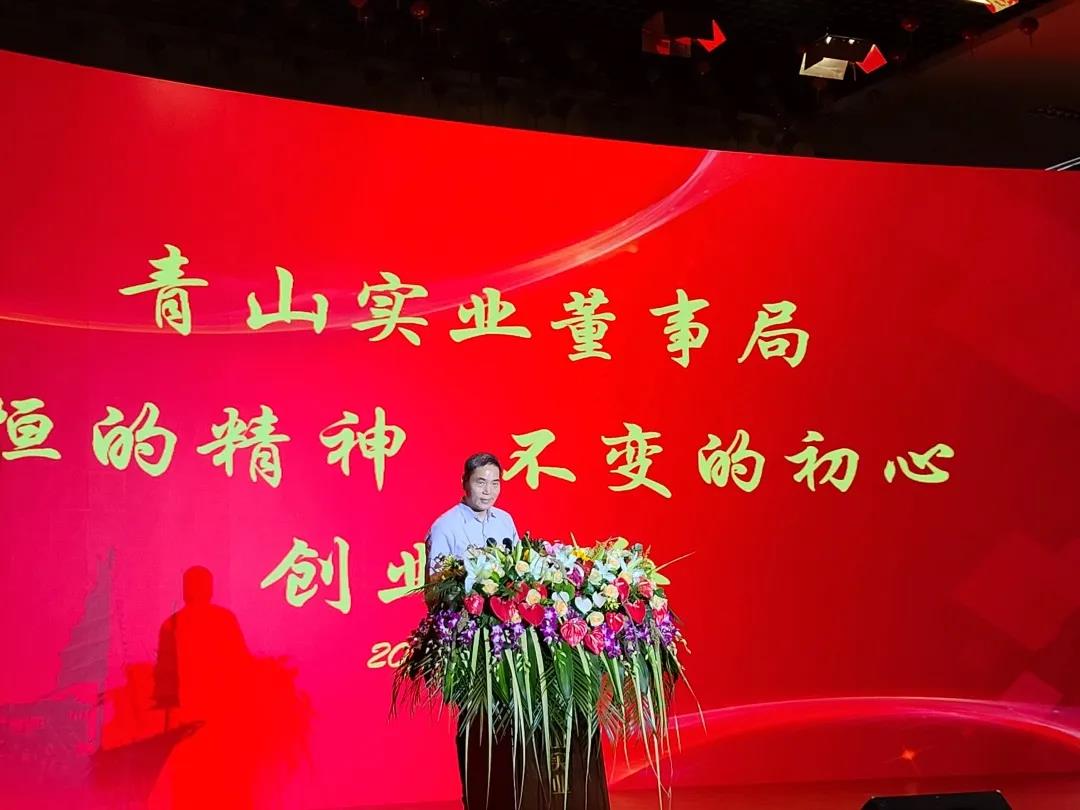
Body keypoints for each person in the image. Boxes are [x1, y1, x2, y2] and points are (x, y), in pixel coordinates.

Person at [426, 452, 519, 573]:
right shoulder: (445, 527)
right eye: (481, 483)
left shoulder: (505, 520)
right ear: (464, 482)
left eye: (495, 484)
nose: (488, 491)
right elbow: (435, 581)